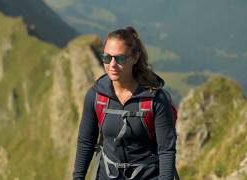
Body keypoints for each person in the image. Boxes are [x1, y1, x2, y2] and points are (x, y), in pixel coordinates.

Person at [73, 26, 177, 180]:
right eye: (107, 58)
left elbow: (166, 150)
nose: (112, 65)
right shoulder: (95, 96)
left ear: (135, 58)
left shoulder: (155, 99)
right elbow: (85, 143)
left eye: (120, 58)